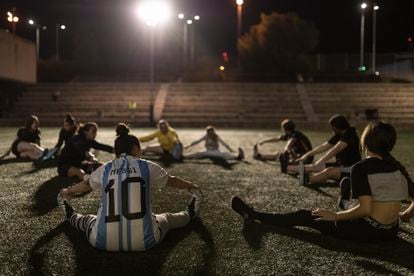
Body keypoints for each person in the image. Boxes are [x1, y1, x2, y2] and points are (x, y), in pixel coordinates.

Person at [232, 122, 414, 242]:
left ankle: (254, 214)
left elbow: (365, 210)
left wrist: (335, 216)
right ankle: (344, 199)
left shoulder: (361, 167)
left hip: (370, 232)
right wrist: (402, 217)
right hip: (391, 232)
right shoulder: (396, 166)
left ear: (365, 142)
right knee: (350, 191)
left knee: (306, 215)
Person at [57, 123, 202, 251]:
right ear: (135, 148)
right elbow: (173, 181)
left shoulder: (105, 168)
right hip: (146, 241)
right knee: (167, 218)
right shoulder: (146, 165)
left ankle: (70, 213)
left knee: (88, 220)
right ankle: (190, 213)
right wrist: (191, 186)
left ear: (117, 151)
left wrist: (68, 190)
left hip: (102, 241)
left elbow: (86, 184)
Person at [288, 115, 361, 185]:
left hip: (351, 169)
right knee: (315, 166)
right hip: (340, 165)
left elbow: (336, 149)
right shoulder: (340, 134)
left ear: (338, 126)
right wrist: (307, 155)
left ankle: (307, 179)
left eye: (333, 126)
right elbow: (325, 146)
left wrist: (321, 160)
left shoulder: (351, 135)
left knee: (329, 171)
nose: (332, 129)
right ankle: (289, 168)